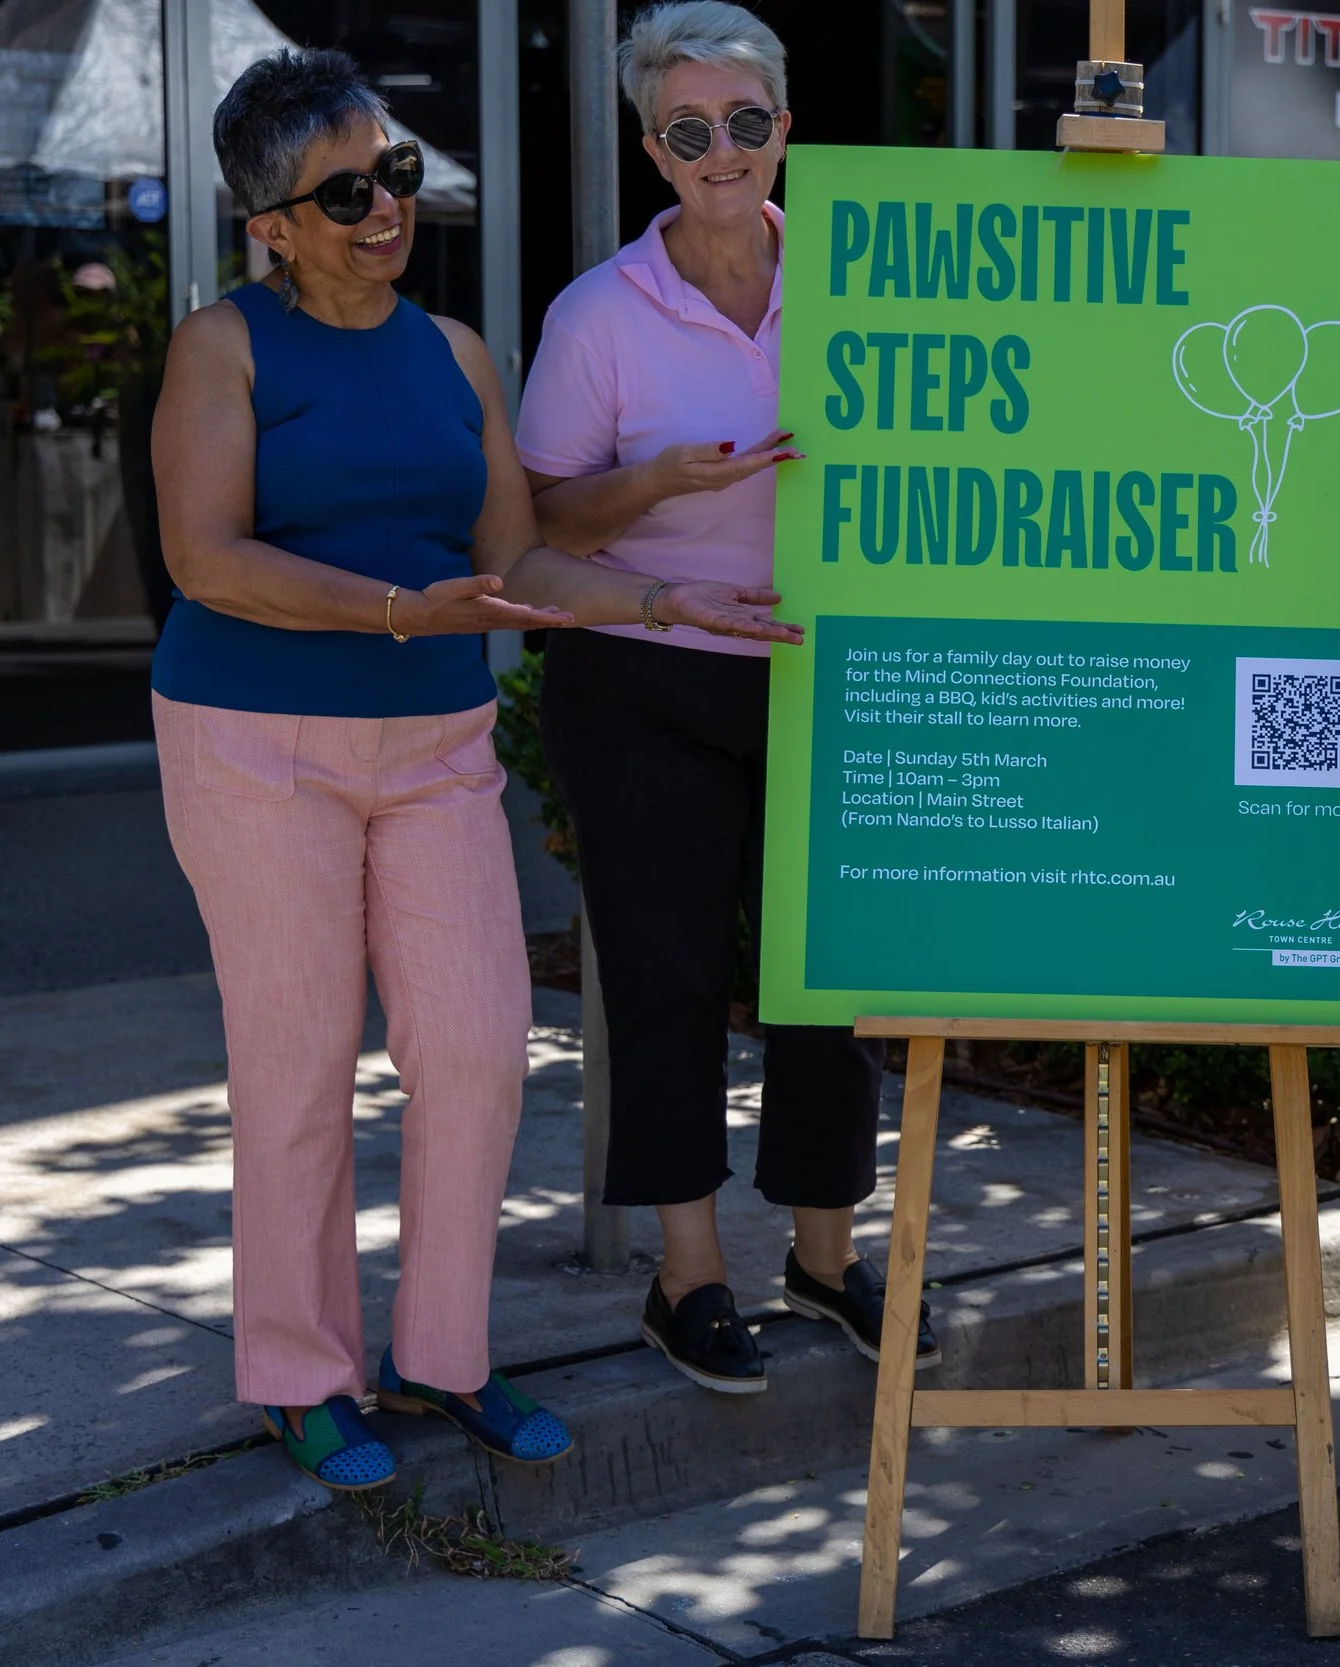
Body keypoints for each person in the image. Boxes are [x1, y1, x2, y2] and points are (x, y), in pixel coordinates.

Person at [152, 47, 790, 1489]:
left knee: (478, 1047)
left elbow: (511, 558)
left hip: (436, 739)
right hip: (260, 742)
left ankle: (444, 1354)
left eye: (393, 170)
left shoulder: (455, 352)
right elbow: (205, 558)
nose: (385, 205)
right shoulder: (224, 346)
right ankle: (303, 1373)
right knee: (302, 1062)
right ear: (272, 226)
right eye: (343, 192)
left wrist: (657, 601)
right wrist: (390, 608)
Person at [515, 0, 938, 1396]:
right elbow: (543, 522)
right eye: (689, 129)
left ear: (785, 134)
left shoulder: (864, 281)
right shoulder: (596, 315)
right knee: (667, 974)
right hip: (643, 677)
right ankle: (687, 1274)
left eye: (745, 124)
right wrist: (661, 483)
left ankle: (825, 1256)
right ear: (652, 148)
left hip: (824, 673)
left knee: (834, 976)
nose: (722, 150)